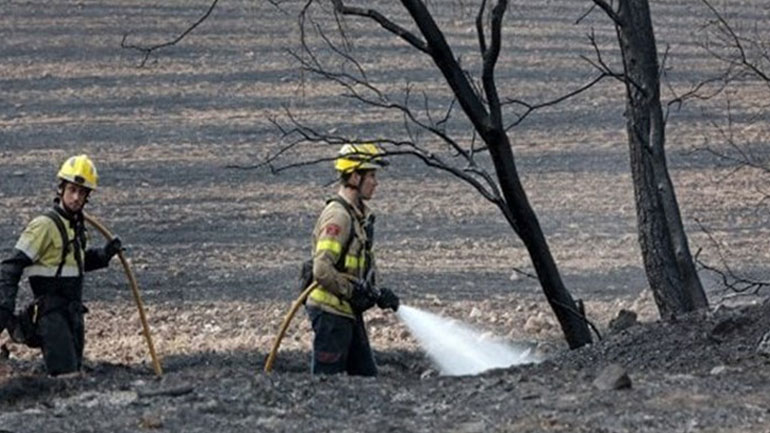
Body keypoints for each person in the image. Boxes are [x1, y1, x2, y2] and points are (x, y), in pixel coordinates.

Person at [0, 154, 122, 376]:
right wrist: (5, 304)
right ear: (61, 189)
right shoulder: (43, 226)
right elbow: (11, 267)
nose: (76, 197)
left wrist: (104, 255)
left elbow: (74, 263)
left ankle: (10, 342)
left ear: (87, 197)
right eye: (71, 190)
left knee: (75, 370)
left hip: (72, 312)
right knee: (65, 375)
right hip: (50, 313)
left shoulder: (76, 227)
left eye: (82, 192)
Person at [305, 143, 400, 376]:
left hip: (346, 312)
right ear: (355, 177)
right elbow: (322, 270)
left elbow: (356, 264)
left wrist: (376, 292)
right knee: (327, 383)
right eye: (371, 175)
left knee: (366, 378)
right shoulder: (338, 217)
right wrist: (352, 291)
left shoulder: (357, 216)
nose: (376, 182)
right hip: (330, 314)